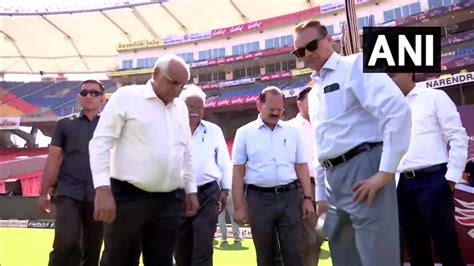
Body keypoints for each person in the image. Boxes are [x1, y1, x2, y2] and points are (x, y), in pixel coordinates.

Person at [293, 20, 412, 266]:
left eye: (312, 45)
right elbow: (322, 144)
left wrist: (384, 174)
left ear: (329, 40)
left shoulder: (355, 65)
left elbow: (397, 112)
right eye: (300, 51)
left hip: (364, 168)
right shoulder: (314, 93)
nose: (307, 54)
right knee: (344, 258)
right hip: (333, 179)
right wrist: (321, 195)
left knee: (378, 257)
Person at [89, 54, 199, 266]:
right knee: (119, 260)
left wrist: (190, 189)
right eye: (173, 82)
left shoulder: (181, 108)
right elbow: (100, 143)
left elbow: (186, 152)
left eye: (182, 85)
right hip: (128, 197)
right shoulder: (127, 96)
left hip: (169, 201)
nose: (177, 89)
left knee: (162, 261)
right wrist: (102, 189)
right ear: (155, 74)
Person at [390, 72, 467, 266]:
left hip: (434, 179)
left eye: (392, 74)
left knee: (446, 244)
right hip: (402, 185)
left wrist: (451, 178)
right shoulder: (387, 109)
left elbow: (457, 137)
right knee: (416, 250)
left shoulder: (434, 97)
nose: (389, 79)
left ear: (409, 72)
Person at [232, 86, 315, 266]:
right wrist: (238, 207)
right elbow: (238, 172)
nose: (277, 113)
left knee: (294, 252)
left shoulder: (293, 132)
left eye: (280, 110)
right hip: (258, 199)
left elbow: (301, 165)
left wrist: (307, 197)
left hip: (290, 198)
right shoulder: (244, 133)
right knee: (265, 254)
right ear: (259, 106)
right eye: (272, 109)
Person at [37, 79, 106, 266]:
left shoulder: (110, 125)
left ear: (103, 98)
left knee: (92, 249)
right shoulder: (64, 124)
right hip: (68, 191)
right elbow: (53, 158)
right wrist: (44, 192)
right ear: (78, 98)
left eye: (94, 93)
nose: (89, 96)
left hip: (98, 194)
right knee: (66, 243)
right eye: (84, 93)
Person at [175, 85, 232, 266]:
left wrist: (225, 189)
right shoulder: (171, 129)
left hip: (208, 192)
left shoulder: (214, 130)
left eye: (199, 107)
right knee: (181, 247)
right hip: (179, 193)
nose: (195, 111)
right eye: (190, 106)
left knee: (204, 244)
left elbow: (224, 162)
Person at [288, 87, 325, 266]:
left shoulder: (326, 123)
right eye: (311, 99)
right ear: (299, 102)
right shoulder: (290, 128)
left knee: (322, 238)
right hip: (304, 187)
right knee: (308, 239)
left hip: (328, 184)